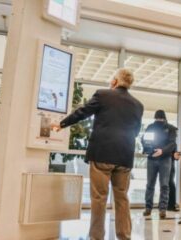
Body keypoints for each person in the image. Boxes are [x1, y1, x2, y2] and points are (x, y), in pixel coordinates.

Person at [53, 68, 143, 240]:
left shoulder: (103, 95)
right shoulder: (138, 105)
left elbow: (82, 112)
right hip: (124, 157)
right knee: (122, 198)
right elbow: (136, 132)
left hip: (102, 154)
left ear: (115, 81)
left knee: (99, 198)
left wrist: (62, 124)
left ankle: (96, 237)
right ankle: (125, 236)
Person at [142, 110, 177, 219]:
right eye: (157, 119)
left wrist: (162, 151)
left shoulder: (171, 128)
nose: (158, 120)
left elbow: (172, 144)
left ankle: (163, 209)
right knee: (150, 184)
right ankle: (148, 208)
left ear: (164, 118)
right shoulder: (150, 127)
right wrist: (147, 147)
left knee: (164, 185)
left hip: (165, 159)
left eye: (160, 119)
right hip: (151, 158)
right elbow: (143, 139)